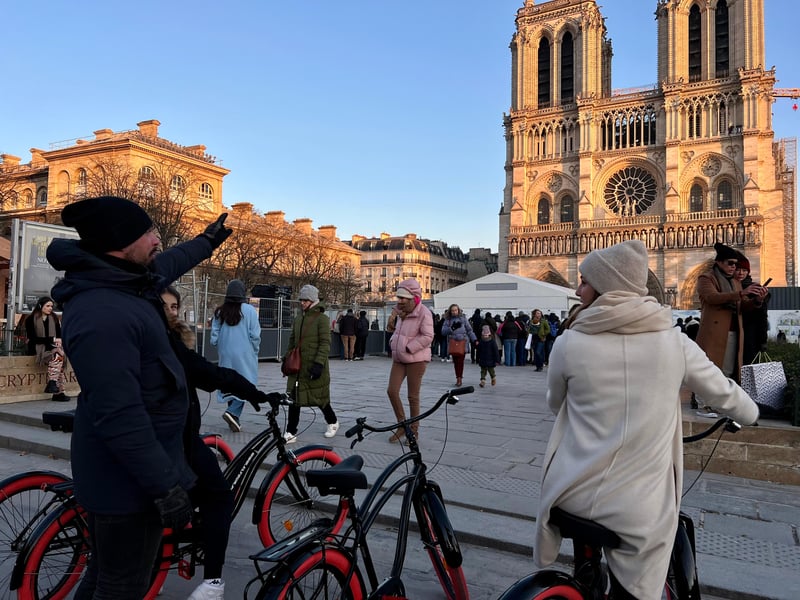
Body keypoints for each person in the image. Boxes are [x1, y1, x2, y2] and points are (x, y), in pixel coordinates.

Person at [535, 240, 759, 600]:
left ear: (607, 286)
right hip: (637, 508)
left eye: (584, 281)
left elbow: (554, 404)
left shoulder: (567, 343)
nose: (577, 290)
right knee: (639, 586)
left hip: (570, 492)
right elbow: (726, 394)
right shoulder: (674, 342)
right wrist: (751, 413)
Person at [46, 196, 232, 600]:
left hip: (130, 477)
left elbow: (170, 262)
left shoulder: (124, 277)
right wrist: (165, 487)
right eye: (147, 232)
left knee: (105, 577)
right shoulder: (103, 311)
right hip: (127, 485)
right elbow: (120, 414)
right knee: (121, 586)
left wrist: (207, 241)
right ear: (119, 243)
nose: (157, 238)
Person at [162, 286, 271, 600]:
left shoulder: (218, 313)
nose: (171, 312)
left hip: (223, 355)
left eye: (174, 306)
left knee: (227, 383)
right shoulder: (169, 343)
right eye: (166, 306)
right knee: (219, 496)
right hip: (176, 435)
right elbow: (250, 339)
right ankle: (212, 583)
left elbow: (212, 339)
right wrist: (257, 392)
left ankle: (233, 408)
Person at [694, 243, 767, 412]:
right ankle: (702, 405)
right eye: (730, 263)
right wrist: (741, 293)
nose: (734, 267)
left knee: (727, 371)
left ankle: (718, 404)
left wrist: (757, 300)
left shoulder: (735, 282)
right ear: (719, 262)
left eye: (735, 264)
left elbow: (741, 306)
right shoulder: (706, 279)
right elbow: (712, 297)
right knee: (708, 370)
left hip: (734, 332)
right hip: (714, 333)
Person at [282, 284, 339, 443]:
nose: (302, 303)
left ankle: (333, 422)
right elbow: (292, 341)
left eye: (305, 300)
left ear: (313, 300)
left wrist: (319, 364)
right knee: (294, 399)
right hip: (298, 367)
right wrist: (286, 359)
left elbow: (325, 343)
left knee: (319, 398)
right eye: (301, 300)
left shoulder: (322, 319)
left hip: (313, 366)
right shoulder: (299, 318)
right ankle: (291, 432)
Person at [385, 278, 434, 443]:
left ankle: (413, 431)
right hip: (399, 358)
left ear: (413, 297)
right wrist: (393, 338)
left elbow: (428, 336)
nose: (399, 300)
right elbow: (397, 332)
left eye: (403, 298)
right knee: (392, 391)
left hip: (416, 359)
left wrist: (409, 347)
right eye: (399, 297)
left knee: (413, 396)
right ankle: (402, 426)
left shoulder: (424, 313)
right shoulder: (400, 312)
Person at [211, 279, 261, 433]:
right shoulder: (249, 310)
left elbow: (214, 335)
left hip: (226, 352)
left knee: (229, 383)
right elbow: (255, 334)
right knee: (246, 384)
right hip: (244, 353)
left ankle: (234, 418)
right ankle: (232, 412)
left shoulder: (220, 311)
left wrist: (218, 343)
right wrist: (255, 349)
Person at [24, 296, 69, 402]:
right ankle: (58, 392)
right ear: (40, 306)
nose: (50, 308)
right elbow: (33, 339)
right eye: (47, 306)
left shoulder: (54, 318)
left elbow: (59, 335)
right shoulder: (31, 319)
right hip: (37, 347)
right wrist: (52, 339)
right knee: (59, 356)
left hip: (52, 347)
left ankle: (53, 384)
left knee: (59, 354)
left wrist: (59, 340)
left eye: (51, 306)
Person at [734, 253, 771, 366]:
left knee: (746, 370)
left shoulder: (756, 289)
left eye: (744, 270)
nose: (741, 273)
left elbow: (762, 317)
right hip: (731, 334)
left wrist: (762, 341)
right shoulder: (727, 287)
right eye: (738, 269)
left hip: (749, 336)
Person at [441, 304, 476, 386]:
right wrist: (451, 328)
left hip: (462, 342)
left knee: (460, 361)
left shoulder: (463, 319)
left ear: (458, 310)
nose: (454, 312)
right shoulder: (448, 320)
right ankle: (458, 376)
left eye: (455, 310)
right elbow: (443, 331)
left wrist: (474, 339)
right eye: (452, 310)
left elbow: (469, 330)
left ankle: (459, 378)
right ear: (450, 311)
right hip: (453, 342)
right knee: (456, 362)